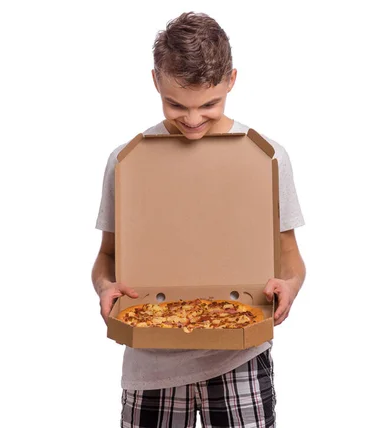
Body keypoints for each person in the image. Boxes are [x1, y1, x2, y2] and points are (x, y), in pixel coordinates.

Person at [92, 12, 306, 428]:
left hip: (240, 358)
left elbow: (290, 258)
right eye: (176, 104)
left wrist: (290, 285)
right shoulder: (127, 160)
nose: (192, 120)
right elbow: (106, 258)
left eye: (209, 104)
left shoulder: (267, 157)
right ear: (155, 81)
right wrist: (105, 287)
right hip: (150, 366)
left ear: (232, 80)